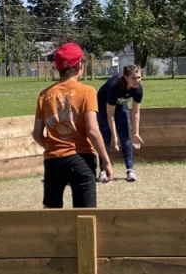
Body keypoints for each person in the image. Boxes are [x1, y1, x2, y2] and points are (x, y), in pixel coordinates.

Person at [32, 43, 114, 208]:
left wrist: (52, 146)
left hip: (53, 160)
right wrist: (106, 160)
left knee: (51, 212)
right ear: (80, 67)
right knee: (86, 214)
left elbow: (36, 133)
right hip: (81, 158)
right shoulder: (87, 92)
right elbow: (92, 130)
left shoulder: (45, 95)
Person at [96, 64, 144, 183]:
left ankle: (130, 170)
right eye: (134, 78)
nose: (137, 80)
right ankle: (103, 171)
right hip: (103, 108)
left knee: (126, 137)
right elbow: (110, 115)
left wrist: (136, 133)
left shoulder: (138, 89)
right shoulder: (114, 87)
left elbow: (136, 112)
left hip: (121, 106)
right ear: (126, 77)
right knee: (105, 137)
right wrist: (114, 135)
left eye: (139, 77)